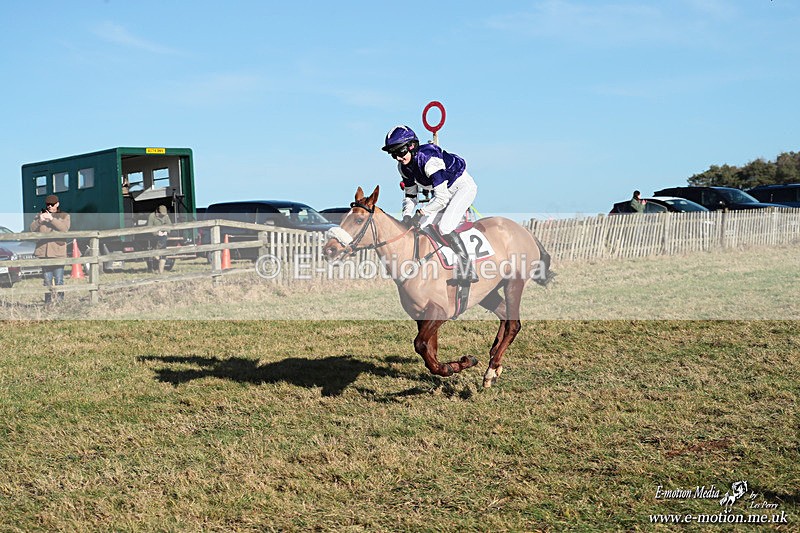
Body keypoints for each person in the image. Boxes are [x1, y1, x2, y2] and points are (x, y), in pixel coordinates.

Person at [382, 125, 478, 283]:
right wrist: (406, 216)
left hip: (462, 188)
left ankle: (468, 269)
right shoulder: (403, 168)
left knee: (445, 227)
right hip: (444, 193)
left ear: (412, 146)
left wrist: (421, 212)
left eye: (400, 152)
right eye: (394, 155)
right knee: (421, 226)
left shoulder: (428, 159)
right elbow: (411, 195)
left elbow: (441, 198)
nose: (398, 157)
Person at [30, 194, 71, 304]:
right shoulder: (40, 215)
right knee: (47, 280)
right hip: (44, 253)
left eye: (52, 204)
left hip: (58, 252)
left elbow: (64, 229)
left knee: (59, 280)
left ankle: (59, 302)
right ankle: (48, 303)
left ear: (57, 204)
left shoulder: (64, 215)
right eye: (48, 204)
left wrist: (52, 219)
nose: (50, 206)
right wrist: (40, 220)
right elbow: (32, 229)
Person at [147, 204, 171, 274]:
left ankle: (161, 271)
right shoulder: (152, 216)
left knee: (163, 252)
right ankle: (156, 256)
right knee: (158, 250)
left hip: (163, 236)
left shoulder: (166, 216)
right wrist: (156, 233)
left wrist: (166, 232)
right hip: (154, 237)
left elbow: (169, 225)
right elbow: (149, 227)